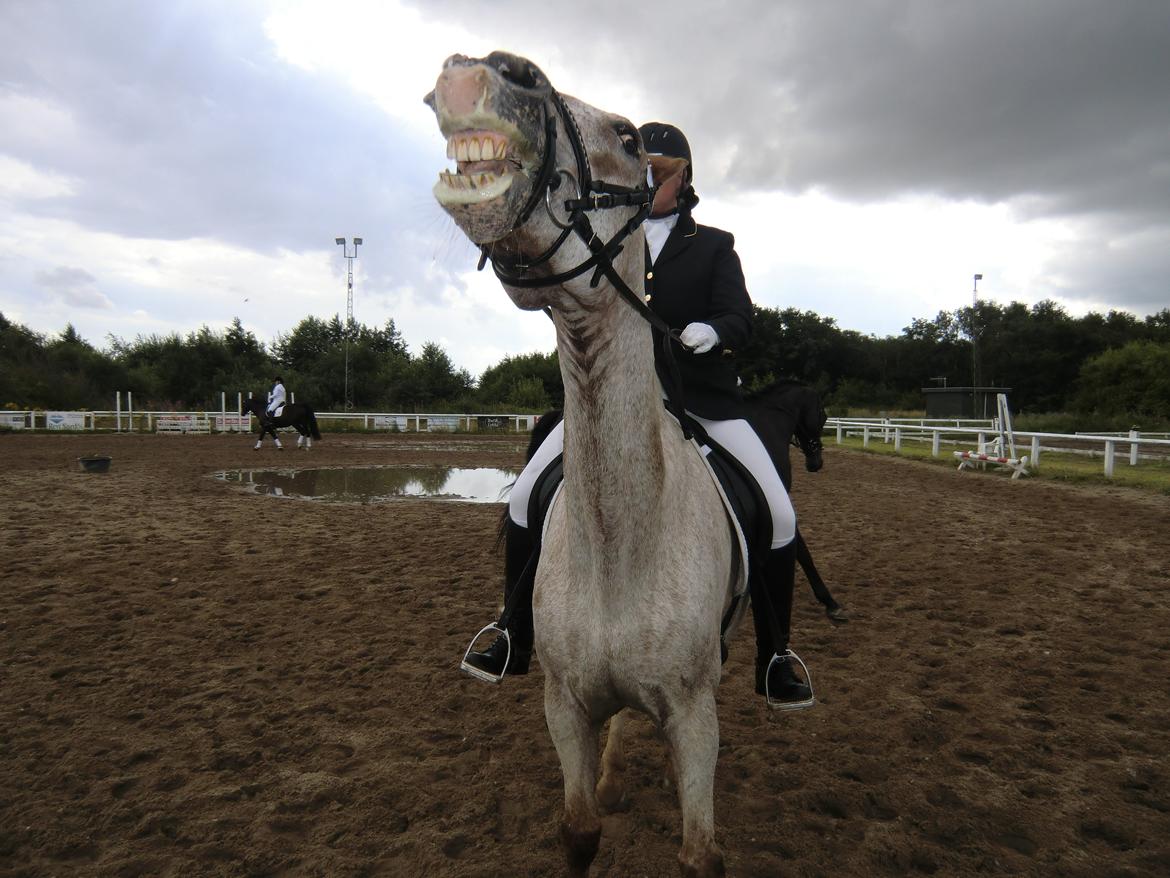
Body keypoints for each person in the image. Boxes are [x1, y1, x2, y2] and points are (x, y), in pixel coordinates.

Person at [461, 122, 813, 708]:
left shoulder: (714, 245)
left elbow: (742, 316)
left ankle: (776, 656)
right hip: (612, 407)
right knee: (525, 497)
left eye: (662, 172)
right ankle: (510, 630)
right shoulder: (599, 235)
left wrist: (716, 329)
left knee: (777, 512)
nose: (650, 182)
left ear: (685, 177)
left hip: (702, 402)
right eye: (641, 170)